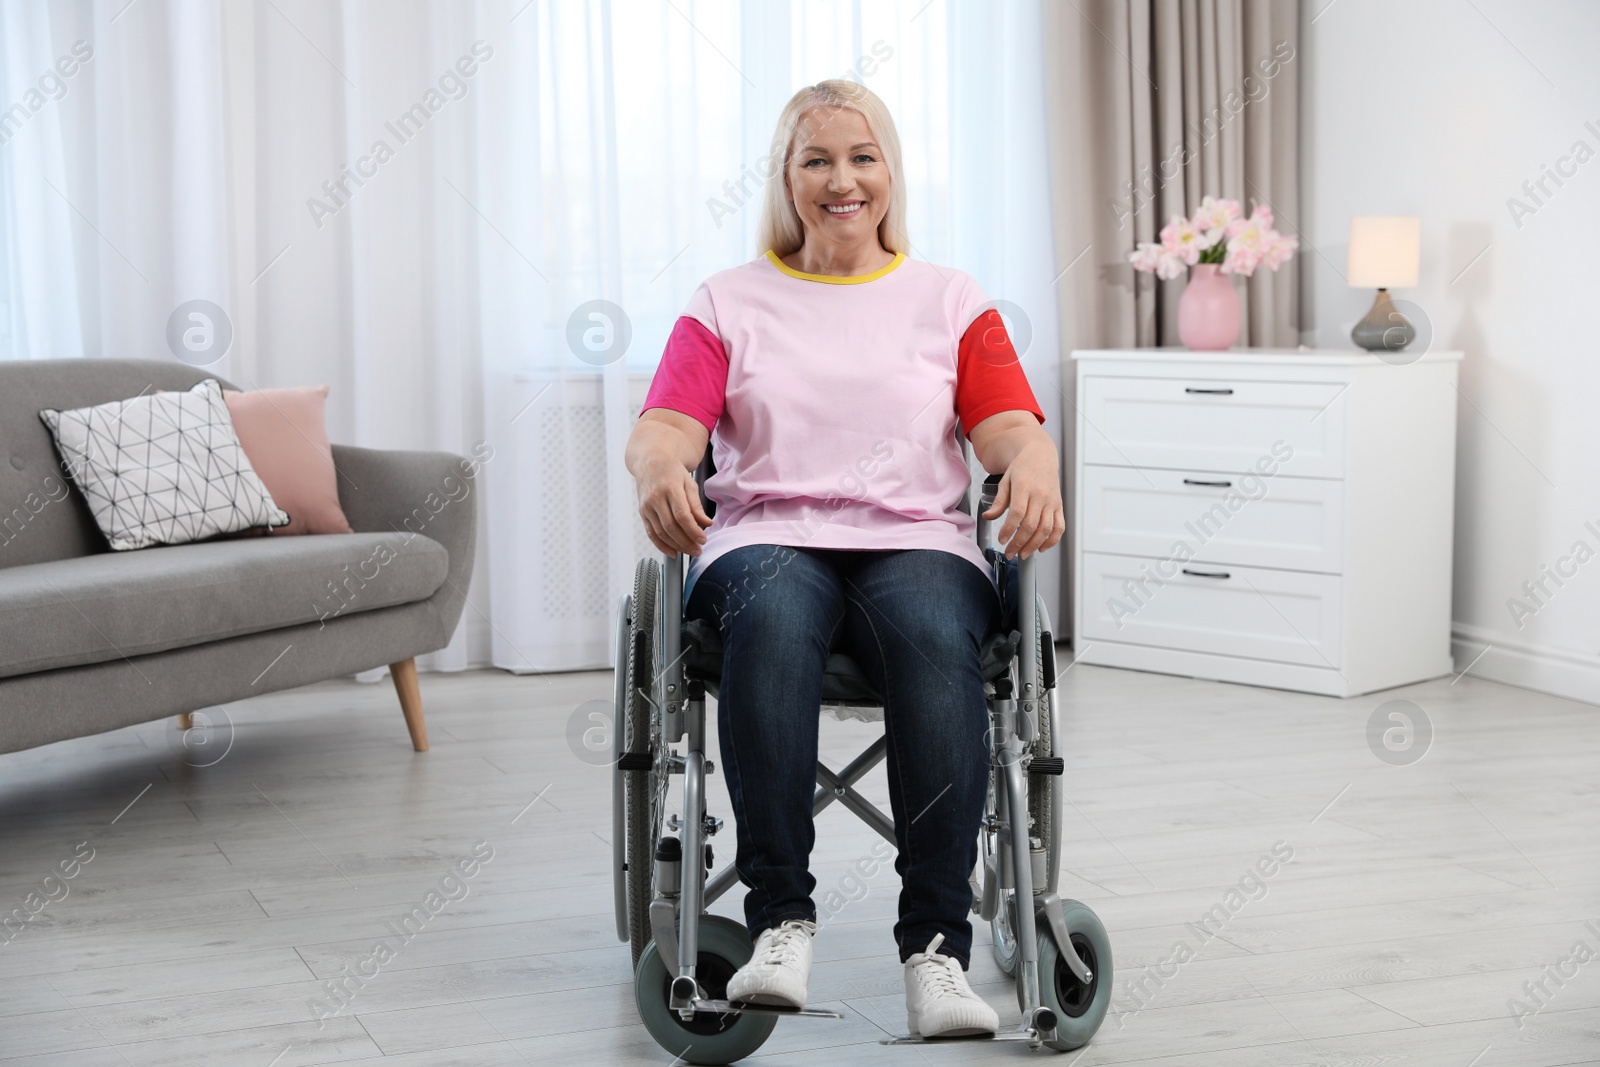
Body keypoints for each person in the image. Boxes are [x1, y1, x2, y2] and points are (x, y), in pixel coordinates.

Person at [623, 78, 1062, 1039]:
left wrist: (1035, 465)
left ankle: (937, 951)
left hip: (914, 538)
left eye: (861, 157)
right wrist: (660, 469)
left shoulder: (947, 298)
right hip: (766, 535)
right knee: (773, 621)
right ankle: (780, 921)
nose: (841, 180)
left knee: (938, 637)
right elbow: (664, 425)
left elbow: (1011, 430)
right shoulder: (728, 300)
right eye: (816, 159)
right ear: (786, 177)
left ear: (890, 174)